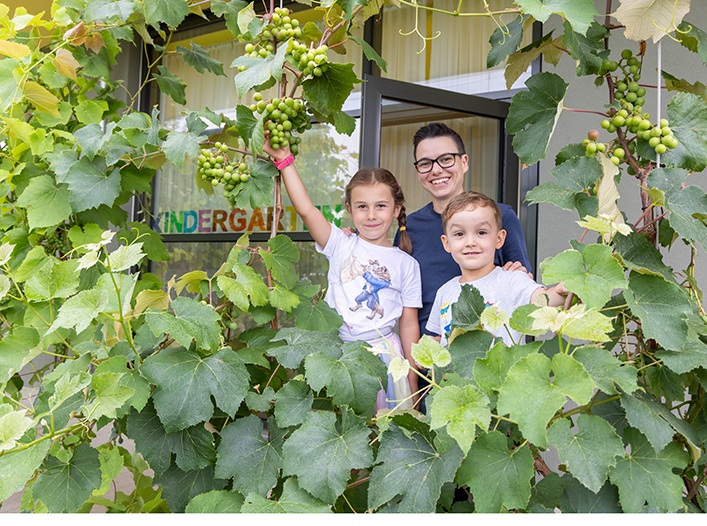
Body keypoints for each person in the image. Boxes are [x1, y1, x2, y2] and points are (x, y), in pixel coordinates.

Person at [264, 141, 421, 413]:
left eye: (381, 206)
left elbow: (408, 325)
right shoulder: (340, 244)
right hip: (339, 353)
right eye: (362, 207)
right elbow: (306, 210)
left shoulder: (407, 264)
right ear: (349, 209)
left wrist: (413, 379)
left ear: (396, 210)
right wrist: (285, 161)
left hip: (385, 358)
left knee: (383, 429)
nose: (371, 215)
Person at [397, 122, 533, 337]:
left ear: (464, 161)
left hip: (487, 351)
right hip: (431, 357)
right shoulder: (410, 226)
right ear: (417, 170)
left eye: (446, 159)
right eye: (425, 163)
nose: (436, 170)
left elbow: (523, 283)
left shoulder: (500, 216)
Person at [427, 192, 567, 346]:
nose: (470, 242)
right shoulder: (444, 291)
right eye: (459, 234)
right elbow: (443, 336)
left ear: (499, 239)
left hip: (501, 369)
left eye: (481, 232)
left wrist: (562, 292)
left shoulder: (511, 279)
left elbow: (542, 299)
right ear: (447, 243)